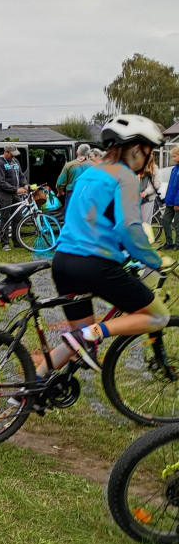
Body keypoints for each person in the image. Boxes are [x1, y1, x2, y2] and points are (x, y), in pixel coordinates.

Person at [35, 115, 171, 379]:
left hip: (64, 262)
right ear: (136, 149)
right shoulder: (125, 177)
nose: (148, 158)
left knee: (79, 344)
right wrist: (154, 260)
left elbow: (92, 219)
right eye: (149, 151)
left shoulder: (91, 174)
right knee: (158, 316)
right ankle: (94, 332)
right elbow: (128, 227)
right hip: (94, 264)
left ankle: (27, 391)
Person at [0, 144, 28, 250]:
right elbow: (1, 182)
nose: (13, 156)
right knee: (5, 217)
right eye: (12, 154)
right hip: (4, 193)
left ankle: (17, 241)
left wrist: (25, 184)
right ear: (6, 152)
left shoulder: (15, 162)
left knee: (18, 216)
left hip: (14, 193)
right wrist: (16, 189)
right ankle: (4, 243)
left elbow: (21, 175)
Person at [55, 143, 91, 213]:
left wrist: (60, 193)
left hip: (72, 194)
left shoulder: (69, 165)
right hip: (88, 194)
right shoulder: (93, 165)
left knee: (70, 216)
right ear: (88, 153)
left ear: (77, 152)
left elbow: (59, 183)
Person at [161, 147, 179, 250]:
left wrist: (177, 202)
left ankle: (178, 243)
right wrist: (167, 198)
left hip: (177, 203)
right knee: (165, 220)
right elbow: (171, 185)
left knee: (177, 223)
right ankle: (169, 242)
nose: (173, 158)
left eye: (174, 156)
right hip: (170, 201)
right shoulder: (174, 169)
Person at [139, 159, 160, 226]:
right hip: (135, 199)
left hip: (147, 199)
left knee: (145, 224)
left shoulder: (154, 168)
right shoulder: (137, 166)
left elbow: (156, 184)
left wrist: (145, 193)